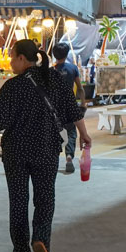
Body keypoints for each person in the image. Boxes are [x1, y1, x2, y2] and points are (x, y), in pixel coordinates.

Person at [0, 39, 90, 252]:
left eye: (12, 57)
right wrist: (84, 135)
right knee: (45, 198)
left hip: (16, 151)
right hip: (46, 149)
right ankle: (41, 241)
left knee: (19, 200)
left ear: (22, 59)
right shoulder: (55, 80)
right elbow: (73, 110)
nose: (11, 62)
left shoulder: (12, 87)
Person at [51, 43, 84, 174]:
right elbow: (80, 88)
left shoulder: (51, 71)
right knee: (71, 132)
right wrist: (83, 103)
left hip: (54, 106)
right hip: (69, 104)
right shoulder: (73, 68)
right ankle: (69, 157)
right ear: (67, 54)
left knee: (54, 132)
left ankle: (52, 159)